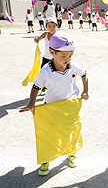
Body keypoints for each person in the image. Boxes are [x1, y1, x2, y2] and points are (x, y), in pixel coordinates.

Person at [22, 33, 89, 175]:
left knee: (71, 129)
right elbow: (36, 86)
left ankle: (72, 152)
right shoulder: (45, 70)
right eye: (63, 56)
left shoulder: (73, 66)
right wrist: (31, 103)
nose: (67, 59)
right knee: (49, 134)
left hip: (71, 105)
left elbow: (84, 74)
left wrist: (85, 91)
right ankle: (46, 159)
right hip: (51, 107)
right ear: (52, 52)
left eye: (70, 55)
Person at [34, 17, 58, 95]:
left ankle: (48, 88)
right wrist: (36, 39)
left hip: (55, 59)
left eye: (54, 26)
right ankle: (45, 86)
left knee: (54, 73)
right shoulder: (45, 34)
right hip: (46, 58)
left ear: (57, 26)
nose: (52, 28)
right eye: (49, 26)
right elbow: (38, 38)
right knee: (43, 72)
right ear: (46, 27)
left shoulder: (58, 35)